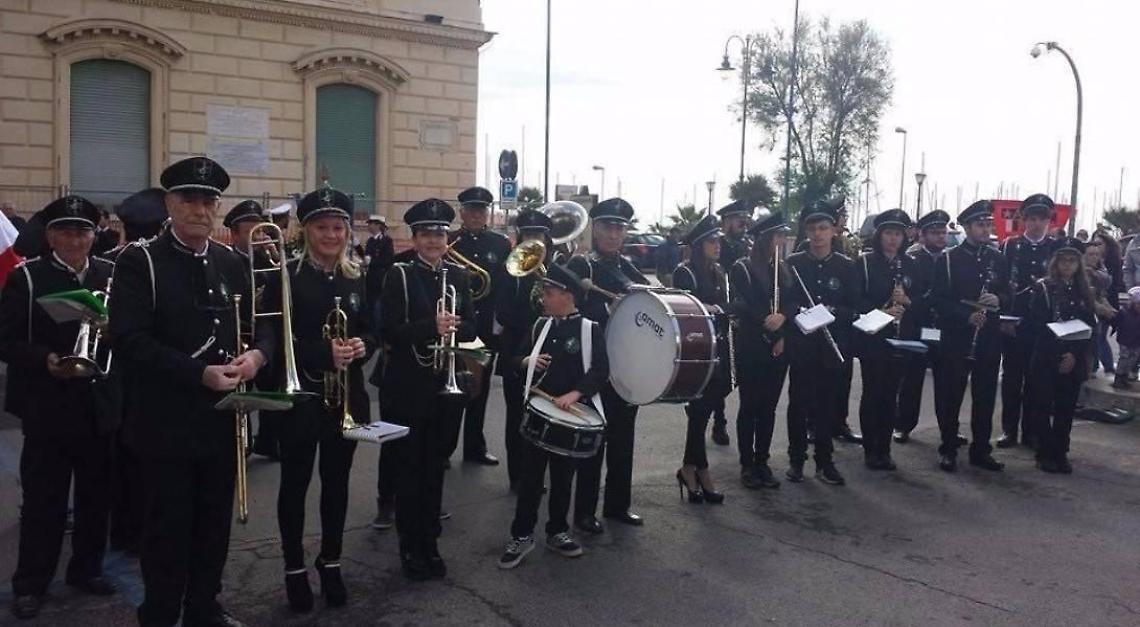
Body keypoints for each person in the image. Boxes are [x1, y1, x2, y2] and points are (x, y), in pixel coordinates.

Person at [110, 156, 273, 627]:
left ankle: (204, 607)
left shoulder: (229, 260)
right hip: (165, 424)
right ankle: (159, 614)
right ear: (169, 203)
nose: (201, 210)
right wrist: (197, 373)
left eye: (209, 201)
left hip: (223, 420)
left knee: (212, 528)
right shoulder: (140, 261)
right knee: (167, 532)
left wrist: (257, 358)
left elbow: (261, 330)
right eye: (190, 199)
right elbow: (128, 339)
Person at [0, 196, 119, 620]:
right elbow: (6, 340)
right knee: (43, 499)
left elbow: (129, 336)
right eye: (66, 231)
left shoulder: (110, 274)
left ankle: (86, 569)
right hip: (48, 404)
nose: (76, 239)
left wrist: (111, 332)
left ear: (93, 235)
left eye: (83, 231)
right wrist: (44, 360)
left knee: (96, 495)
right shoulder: (27, 278)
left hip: (96, 403)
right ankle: (31, 582)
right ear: (51, 236)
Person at [263, 188, 374, 611]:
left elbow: (371, 329)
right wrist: (321, 353)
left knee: (337, 484)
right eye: (322, 227)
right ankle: (294, 568)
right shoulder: (286, 275)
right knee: (294, 484)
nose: (331, 234)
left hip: (344, 399)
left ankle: (331, 561)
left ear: (347, 230)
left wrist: (364, 345)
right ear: (306, 230)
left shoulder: (355, 276)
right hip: (302, 399)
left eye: (338, 227)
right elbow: (275, 341)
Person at [381, 198, 476, 581]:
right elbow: (389, 332)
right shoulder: (399, 274)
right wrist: (429, 327)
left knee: (435, 468)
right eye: (426, 234)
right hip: (409, 386)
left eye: (439, 234)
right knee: (410, 469)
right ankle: (410, 545)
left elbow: (471, 328)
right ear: (415, 238)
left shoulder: (458, 277)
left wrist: (455, 327)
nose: (434, 241)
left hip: (444, 387)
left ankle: (430, 541)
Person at [498, 262, 607, 569]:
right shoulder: (538, 327)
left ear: (568, 296)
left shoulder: (589, 330)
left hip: (569, 416)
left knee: (562, 479)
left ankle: (557, 531)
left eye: (549, 293)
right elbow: (513, 361)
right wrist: (526, 361)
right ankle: (521, 535)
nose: (543, 298)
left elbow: (601, 370)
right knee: (531, 479)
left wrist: (575, 394)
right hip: (537, 414)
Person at [567, 197, 650, 532]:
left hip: (625, 366)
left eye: (619, 228)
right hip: (594, 367)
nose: (614, 234)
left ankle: (618, 505)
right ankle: (585, 512)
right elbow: (567, 312)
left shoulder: (629, 268)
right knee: (593, 442)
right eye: (607, 227)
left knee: (622, 441)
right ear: (595, 229)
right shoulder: (581, 266)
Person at [103, 187, 168, 557]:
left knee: (126, 456)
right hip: (146, 376)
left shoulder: (109, 261)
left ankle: (125, 529)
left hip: (122, 376)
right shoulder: (147, 263)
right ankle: (137, 529)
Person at [931, 200, 1009, 473]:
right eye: (980, 225)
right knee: (951, 395)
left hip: (988, 337)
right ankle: (948, 447)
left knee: (985, 395)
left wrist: (998, 299)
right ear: (966, 227)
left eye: (988, 224)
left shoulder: (998, 258)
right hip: (957, 337)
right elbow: (938, 301)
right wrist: (965, 315)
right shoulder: (949, 259)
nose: (986, 229)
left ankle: (981, 450)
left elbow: (1009, 295)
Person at [782, 200, 854, 486]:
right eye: (812, 228)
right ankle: (796, 460)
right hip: (803, 345)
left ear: (834, 231)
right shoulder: (795, 264)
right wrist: (799, 312)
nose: (817, 234)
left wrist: (832, 313)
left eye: (823, 228)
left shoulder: (846, 266)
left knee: (827, 406)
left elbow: (853, 306)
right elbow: (785, 300)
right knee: (799, 404)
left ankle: (825, 462)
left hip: (831, 346)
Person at [854, 210, 924, 470]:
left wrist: (908, 303)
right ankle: (870, 448)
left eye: (897, 234)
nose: (893, 239)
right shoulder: (865, 263)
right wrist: (881, 312)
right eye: (888, 233)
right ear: (879, 235)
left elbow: (922, 303)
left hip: (900, 339)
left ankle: (885, 448)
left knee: (890, 394)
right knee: (873, 392)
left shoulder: (911, 264)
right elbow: (856, 300)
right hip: (874, 337)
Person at [447, 186, 510, 466]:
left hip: (485, 328)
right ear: (462, 212)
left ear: (488, 213)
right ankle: (444, 448)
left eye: (481, 210)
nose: (476, 214)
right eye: (471, 209)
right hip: (455, 326)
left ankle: (475, 447)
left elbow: (506, 286)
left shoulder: (500, 244)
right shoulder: (449, 241)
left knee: (479, 391)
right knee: (451, 389)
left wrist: (501, 324)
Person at [729, 212, 791, 489]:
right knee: (750, 406)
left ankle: (762, 461)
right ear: (766, 238)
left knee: (769, 407)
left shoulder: (785, 268)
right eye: (778, 235)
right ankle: (747, 464)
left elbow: (793, 301)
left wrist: (784, 320)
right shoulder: (742, 267)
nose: (782, 240)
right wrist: (773, 329)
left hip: (779, 347)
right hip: (752, 345)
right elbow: (746, 306)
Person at [495, 208, 554, 492]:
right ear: (520, 236)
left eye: (539, 235)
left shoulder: (554, 268)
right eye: (528, 234)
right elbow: (503, 313)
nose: (534, 240)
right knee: (517, 415)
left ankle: (538, 472)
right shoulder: (510, 270)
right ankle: (517, 475)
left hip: (548, 350)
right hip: (517, 349)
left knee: (545, 413)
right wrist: (537, 315)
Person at [671, 214, 728, 504]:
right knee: (698, 413)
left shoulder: (718, 271)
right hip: (695, 351)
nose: (717, 245)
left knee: (703, 413)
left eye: (718, 241)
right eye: (711, 241)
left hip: (716, 349)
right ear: (697, 245)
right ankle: (699, 470)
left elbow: (727, 305)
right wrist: (704, 307)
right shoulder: (685, 272)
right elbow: (683, 309)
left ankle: (690, 467)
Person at [1026, 238, 1096, 473]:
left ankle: (1060, 451)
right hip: (1047, 354)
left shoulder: (1084, 290)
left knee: (1066, 409)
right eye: (1063, 260)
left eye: (1072, 261)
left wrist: (1074, 355)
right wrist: (1060, 352)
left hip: (1073, 356)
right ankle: (1044, 451)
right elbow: (1037, 324)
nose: (1067, 266)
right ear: (1055, 263)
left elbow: (1089, 327)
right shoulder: (1043, 287)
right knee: (1042, 406)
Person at [998, 194, 1062, 449]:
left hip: (1043, 324)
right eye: (1032, 219)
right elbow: (1001, 283)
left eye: (1041, 220)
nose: (1036, 224)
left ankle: (1032, 431)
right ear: (1024, 220)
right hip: (1014, 322)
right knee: (1012, 379)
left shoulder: (1057, 248)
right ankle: (1009, 430)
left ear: (1049, 222)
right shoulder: (1010, 246)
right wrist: (1003, 318)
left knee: (1039, 381)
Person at [223, 201, 282, 460]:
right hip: (240, 335)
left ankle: (269, 440)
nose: (258, 237)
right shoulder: (226, 261)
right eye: (251, 231)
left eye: (260, 231)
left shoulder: (266, 259)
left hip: (267, 337)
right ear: (235, 234)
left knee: (272, 390)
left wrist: (277, 258)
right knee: (242, 395)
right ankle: (241, 442)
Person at [895, 210, 950, 444]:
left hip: (943, 327)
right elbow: (906, 294)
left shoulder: (951, 258)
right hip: (916, 325)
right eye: (934, 232)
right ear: (923, 235)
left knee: (947, 382)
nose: (940, 237)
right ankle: (904, 425)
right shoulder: (912, 259)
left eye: (943, 232)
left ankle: (949, 427)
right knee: (911, 379)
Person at [712, 200, 754, 446]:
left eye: (745, 217)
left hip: (744, 313)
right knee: (722, 372)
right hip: (725, 310)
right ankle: (719, 420)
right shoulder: (721, 246)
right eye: (738, 218)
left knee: (737, 374)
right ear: (726, 221)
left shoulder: (746, 245)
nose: (743, 222)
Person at [1113, 287, 1140, 389]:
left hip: (1136, 342)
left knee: (1133, 359)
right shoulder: (1124, 313)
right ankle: (1119, 377)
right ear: (1133, 303)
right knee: (1124, 359)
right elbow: (1117, 323)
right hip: (1125, 340)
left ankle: (1125, 376)